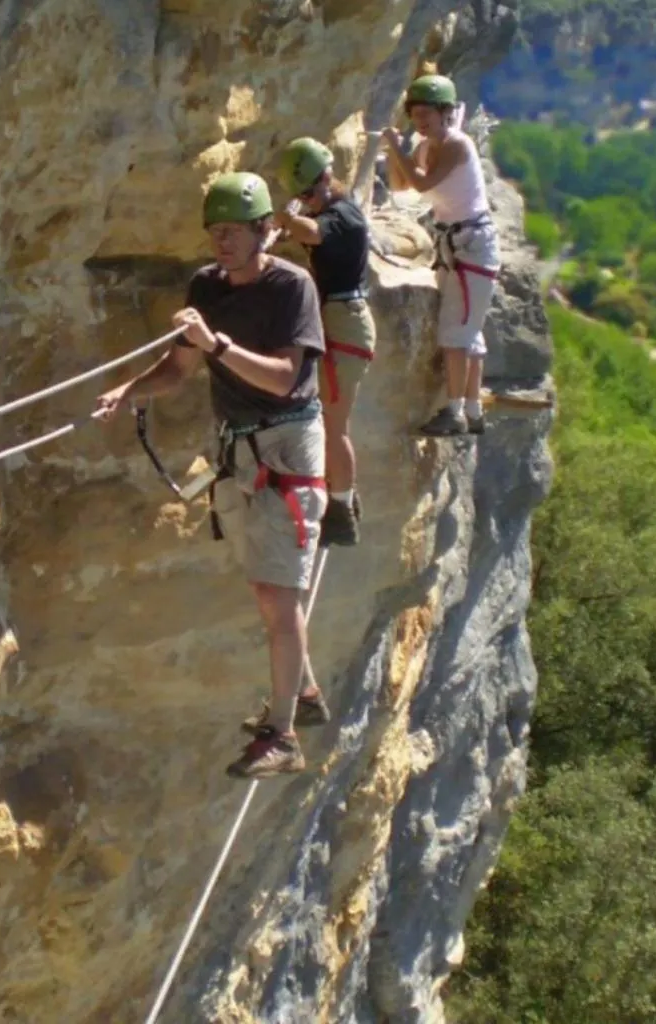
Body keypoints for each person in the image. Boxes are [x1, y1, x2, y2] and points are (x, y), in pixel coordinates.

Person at [95, 172, 329, 779]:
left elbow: (284, 378)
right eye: (214, 233)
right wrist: (130, 390)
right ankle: (301, 695)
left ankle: (283, 737)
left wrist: (217, 345)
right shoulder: (206, 285)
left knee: (279, 596)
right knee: (265, 588)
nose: (220, 243)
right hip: (243, 450)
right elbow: (177, 369)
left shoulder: (292, 288)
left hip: (287, 448)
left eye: (232, 232)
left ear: (261, 232)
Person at [381, 73, 502, 436]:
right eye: (416, 116)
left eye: (427, 115)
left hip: (472, 246)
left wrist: (396, 146)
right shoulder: (426, 147)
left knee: (456, 332)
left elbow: (421, 183)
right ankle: (472, 409)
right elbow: (403, 187)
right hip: (458, 245)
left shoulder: (457, 145)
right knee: (468, 331)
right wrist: (393, 153)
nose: (421, 122)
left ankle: (455, 413)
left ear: (446, 113)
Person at [273, 137, 376, 548]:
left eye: (305, 193)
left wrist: (284, 218)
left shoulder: (343, 216)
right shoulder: (334, 210)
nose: (306, 201)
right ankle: (344, 498)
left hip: (345, 324)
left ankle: (341, 510)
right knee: (328, 421)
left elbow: (314, 233)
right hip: (340, 321)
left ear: (318, 185)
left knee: (333, 425)